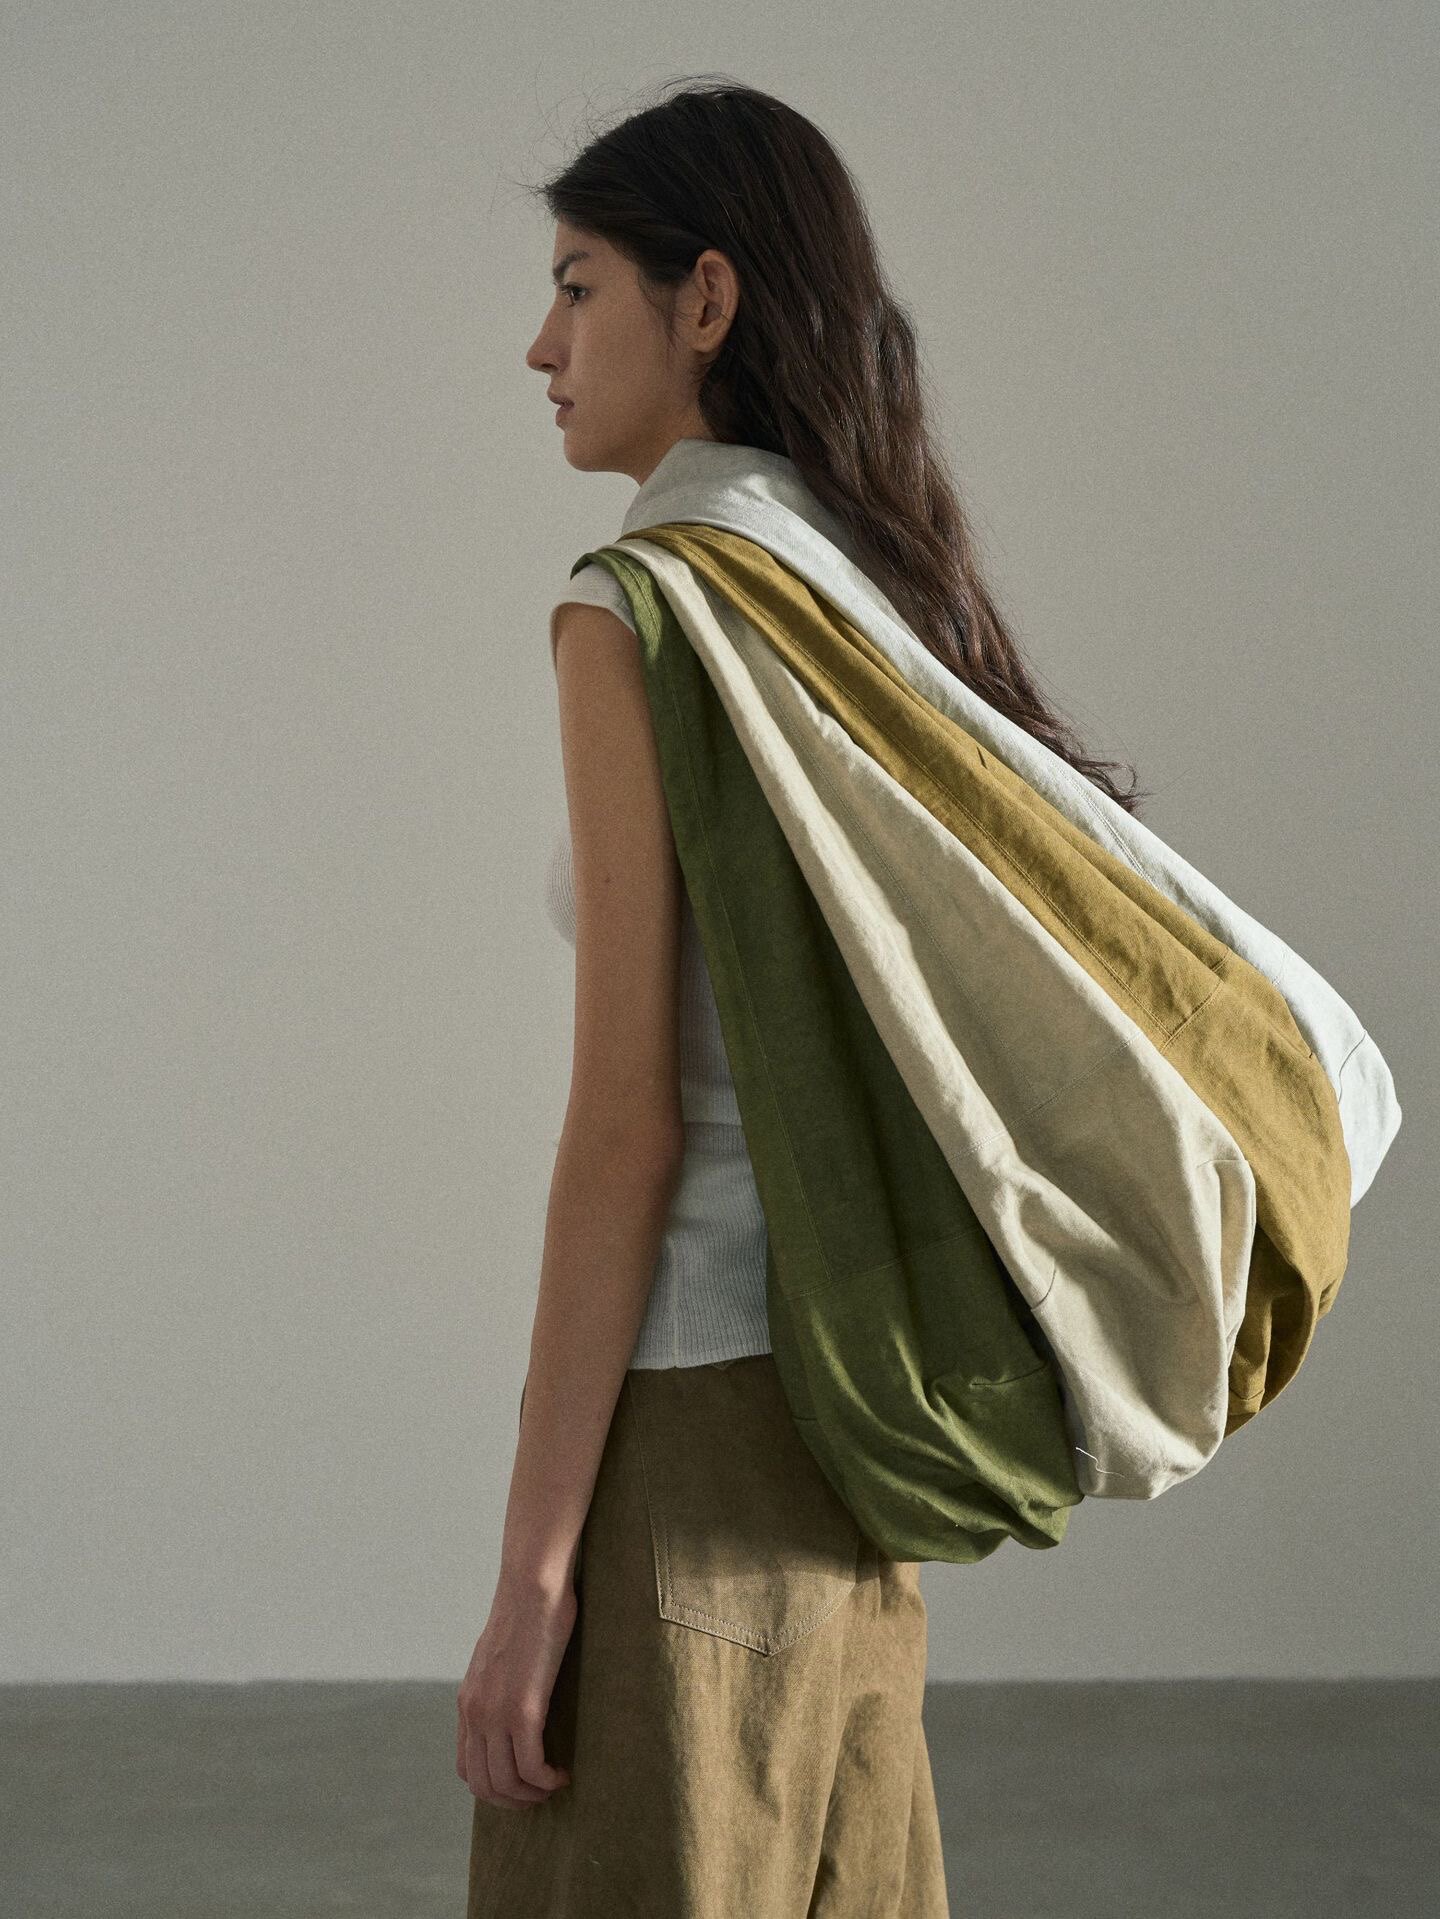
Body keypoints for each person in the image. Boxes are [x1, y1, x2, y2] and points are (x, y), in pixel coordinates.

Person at [457, 74, 1146, 1918]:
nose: (539, 344)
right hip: (850, 1427)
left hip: (689, 1425)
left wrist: (533, 1574)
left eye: (576, 284)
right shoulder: (866, 594)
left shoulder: (639, 610)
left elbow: (630, 1127)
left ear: (706, 299)